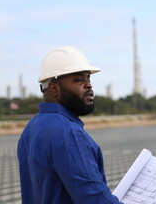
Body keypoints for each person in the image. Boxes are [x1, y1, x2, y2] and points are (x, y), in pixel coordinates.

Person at [17, 46, 122, 204]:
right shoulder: (68, 133)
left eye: (89, 78)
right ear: (54, 88)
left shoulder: (32, 127)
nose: (89, 85)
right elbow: (95, 199)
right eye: (79, 79)